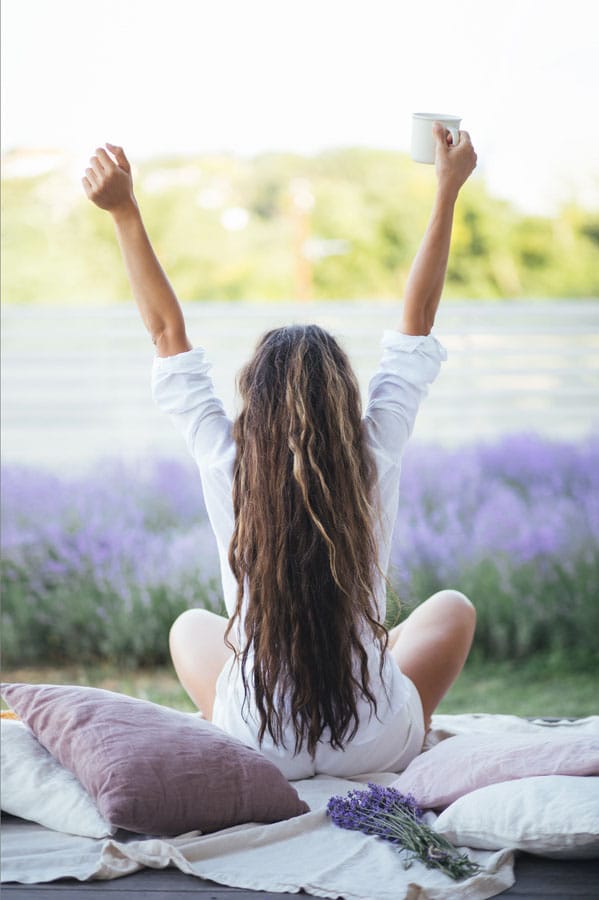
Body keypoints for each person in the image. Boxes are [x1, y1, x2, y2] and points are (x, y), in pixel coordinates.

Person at [82, 124, 478, 779]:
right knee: (450, 609)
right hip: (373, 740)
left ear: (253, 402)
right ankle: (402, 729)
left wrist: (124, 210)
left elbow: (165, 332)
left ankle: (240, 734)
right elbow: (417, 321)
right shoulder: (371, 453)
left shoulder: (226, 460)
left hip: (258, 739)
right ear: (345, 396)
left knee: (191, 626)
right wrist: (447, 188)